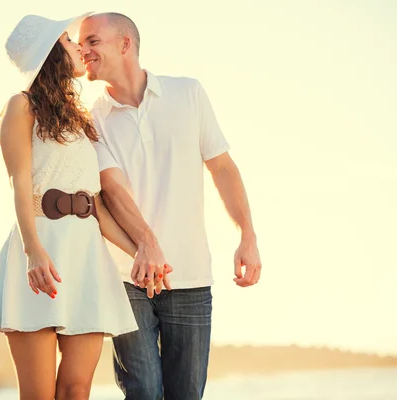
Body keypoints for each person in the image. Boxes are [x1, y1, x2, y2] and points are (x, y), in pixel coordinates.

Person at [78, 12, 263, 400]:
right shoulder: (91, 119)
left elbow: (223, 168)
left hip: (191, 276)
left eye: (93, 41)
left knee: (186, 394)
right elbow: (112, 188)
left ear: (125, 43)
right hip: (126, 277)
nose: (83, 50)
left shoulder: (188, 93)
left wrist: (247, 235)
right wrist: (147, 243)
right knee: (142, 390)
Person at [0, 13, 143, 400]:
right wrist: (33, 251)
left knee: (77, 389)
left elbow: (94, 206)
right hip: (40, 254)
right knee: (39, 394)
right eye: (69, 41)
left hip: (86, 255)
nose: (79, 47)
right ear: (50, 53)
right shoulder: (21, 107)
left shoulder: (80, 120)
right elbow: (19, 185)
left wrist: (141, 254)